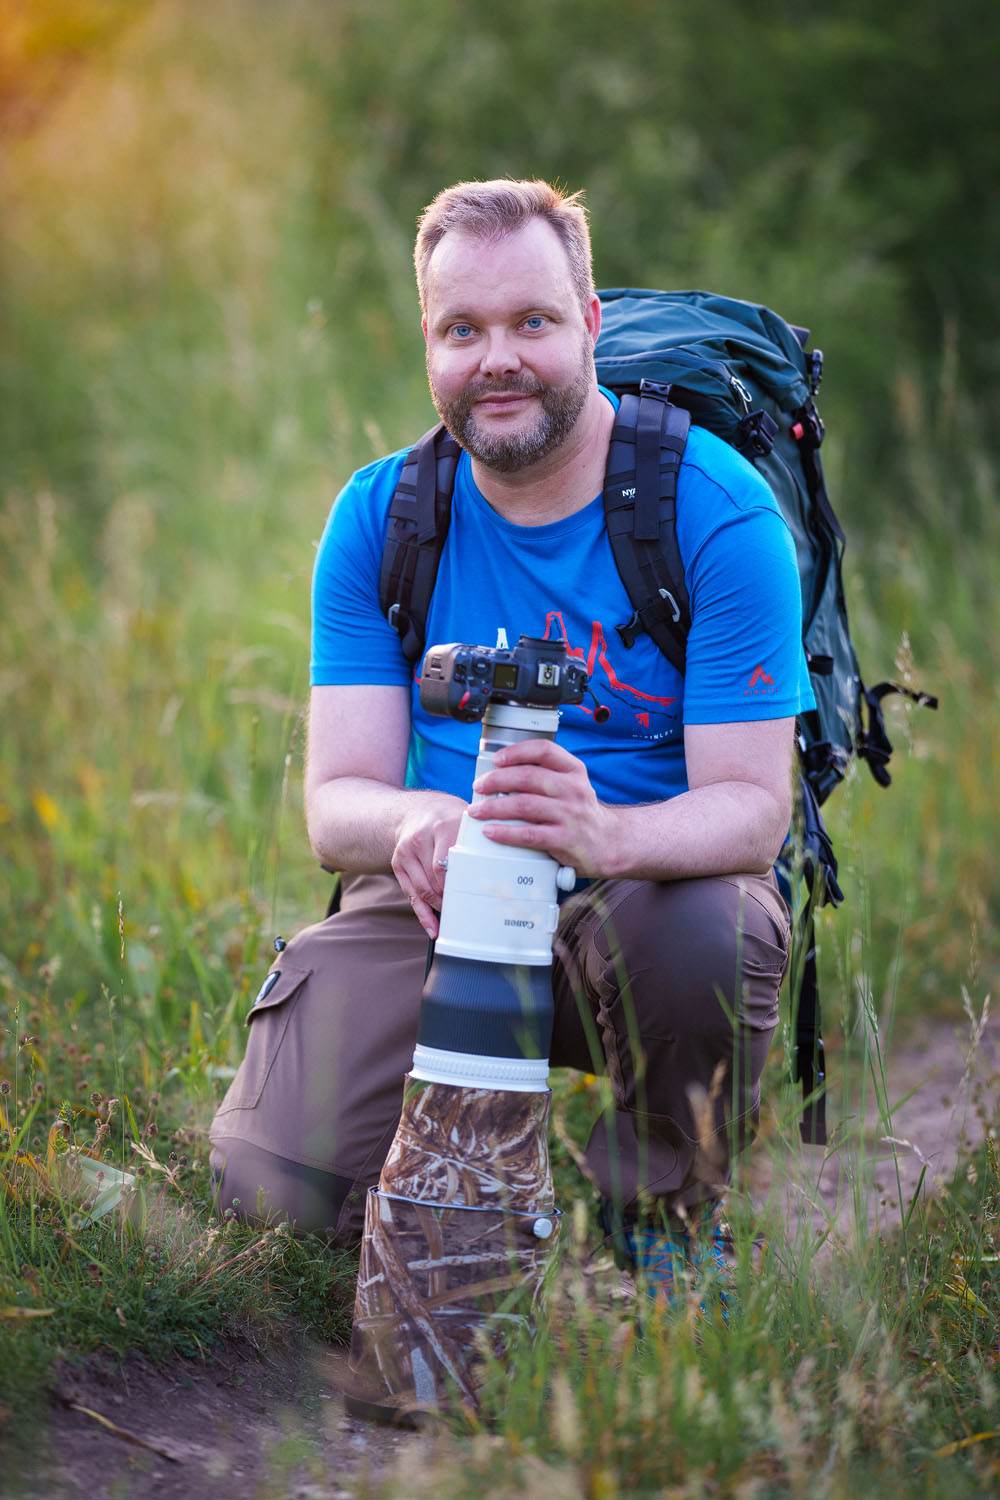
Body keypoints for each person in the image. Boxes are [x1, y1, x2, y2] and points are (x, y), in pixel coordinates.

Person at [209, 179, 812, 1276]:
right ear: (428, 346)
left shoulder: (713, 511)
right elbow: (334, 804)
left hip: (641, 898)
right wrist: (413, 822)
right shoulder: (382, 517)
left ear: (588, 323)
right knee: (268, 1185)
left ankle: (659, 1215)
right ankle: (461, 1225)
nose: (498, 359)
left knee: (707, 938)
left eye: (531, 322)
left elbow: (753, 813)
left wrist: (607, 838)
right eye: (462, 330)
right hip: (440, 899)